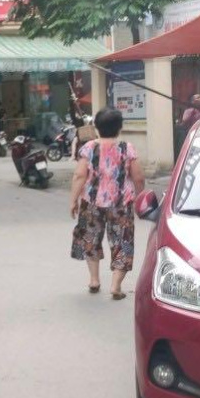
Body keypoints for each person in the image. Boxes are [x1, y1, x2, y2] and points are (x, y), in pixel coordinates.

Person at [69, 108, 146, 300]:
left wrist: (73, 200)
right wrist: (140, 198)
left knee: (90, 239)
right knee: (122, 241)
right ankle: (116, 286)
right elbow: (138, 177)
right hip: (121, 204)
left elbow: (79, 175)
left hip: (91, 202)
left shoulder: (89, 148)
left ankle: (94, 280)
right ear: (120, 128)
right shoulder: (127, 148)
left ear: (96, 127)